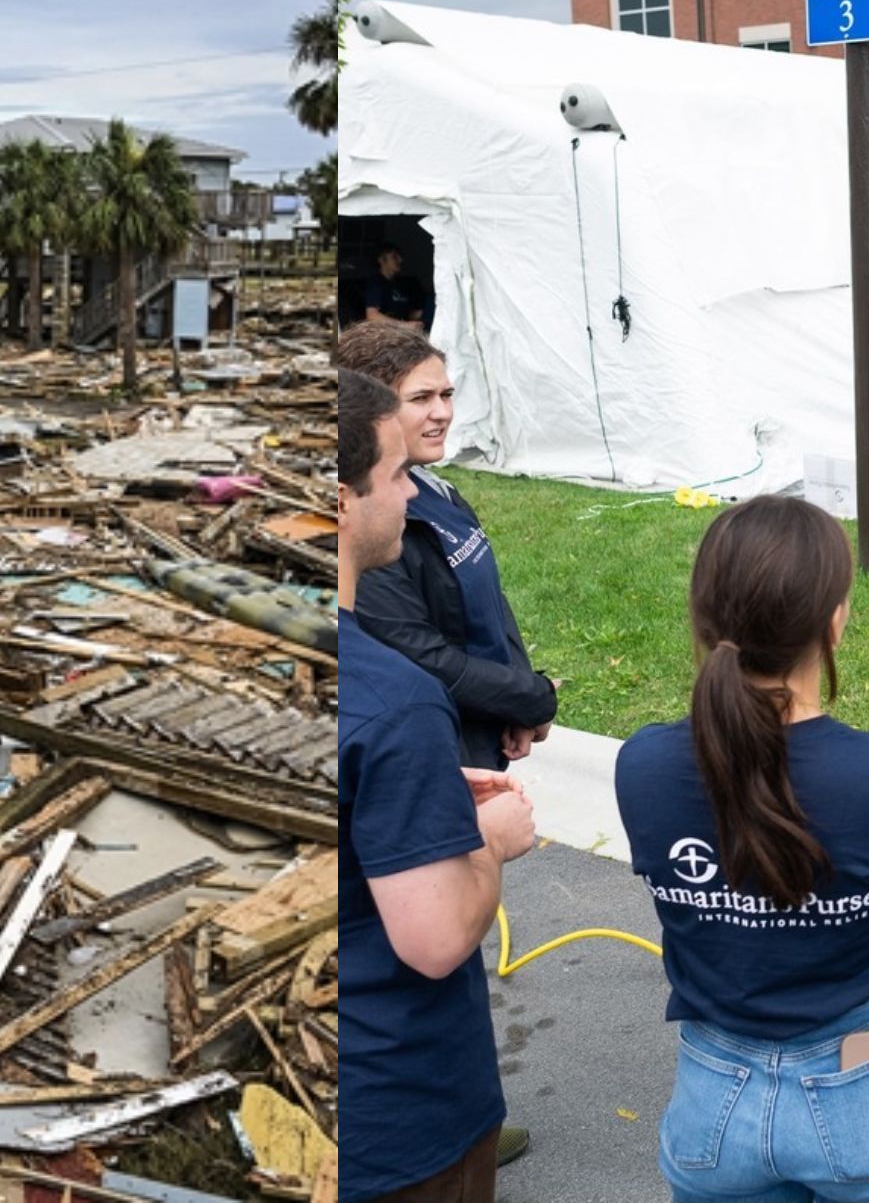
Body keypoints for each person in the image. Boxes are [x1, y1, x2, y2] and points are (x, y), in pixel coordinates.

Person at [616, 496, 869, 1203]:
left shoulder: (644, 763)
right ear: (834, 619)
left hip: (712, 1101)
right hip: (866, 1087)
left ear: (703, 617)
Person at [337, 367, 538, 1203]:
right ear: (340, 502)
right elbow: (433, 938)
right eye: (391, 478)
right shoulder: (391, 699)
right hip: (401, 1119)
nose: (406, 495)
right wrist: (488, 844)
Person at [338, 322, 560, 772]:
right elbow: (419, 652)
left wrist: (516, 698)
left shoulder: (435, 488)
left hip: (487, 725)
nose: (442, 413)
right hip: (436, 747)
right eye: (421, 399)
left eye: (447, 394)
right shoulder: (371, 521)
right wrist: (533, 697)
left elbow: (489, 599)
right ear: (370, 411)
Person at [364, 243, 430, 330]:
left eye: (399, 256)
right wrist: (404, 326)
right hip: (387, 334)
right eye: (394, 257)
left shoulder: (401, 284)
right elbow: (372, 315)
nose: (400, 260)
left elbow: (407, 313)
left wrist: (428, 311)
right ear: (381, 260)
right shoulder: (376, 284)